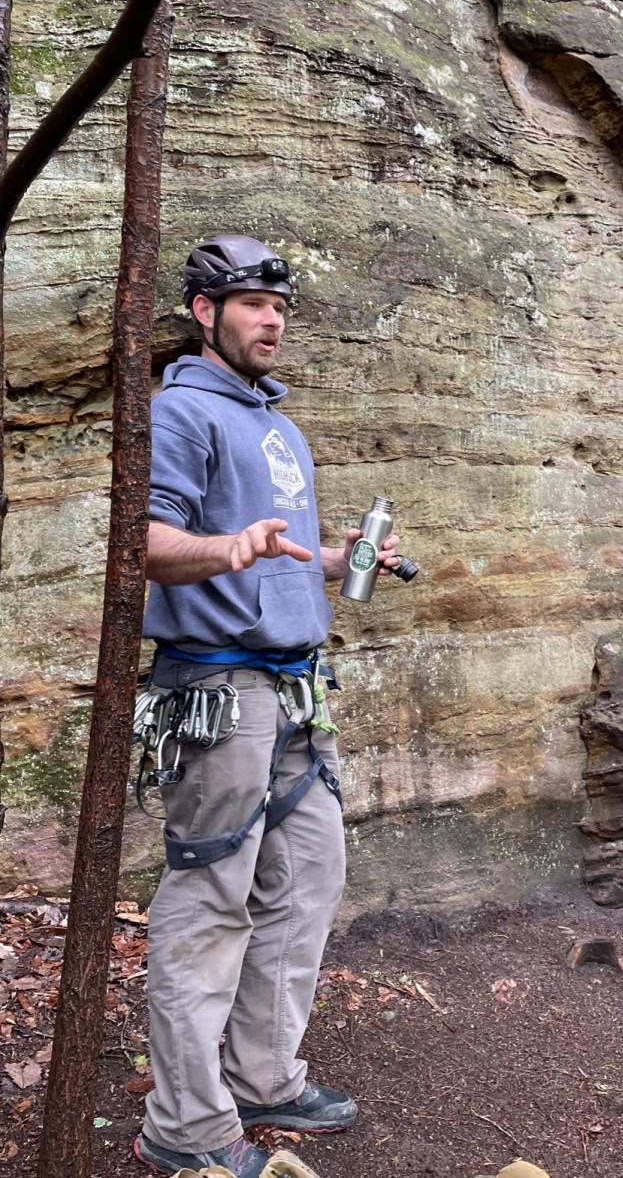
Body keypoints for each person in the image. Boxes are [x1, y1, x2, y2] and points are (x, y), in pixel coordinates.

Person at [134, 234, 399, 1178]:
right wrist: (226, 549)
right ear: (204, 313)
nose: (272, 319)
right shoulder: (182, 412)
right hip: (217, 689)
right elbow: (146, 546)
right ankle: (186, 1124)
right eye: (251, 303)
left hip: (296, 689)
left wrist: (344, 561)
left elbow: (282, 548)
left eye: (279, 305)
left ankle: (261, 1075)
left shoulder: (279, 426)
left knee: (308, 881)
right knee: (211, 898)